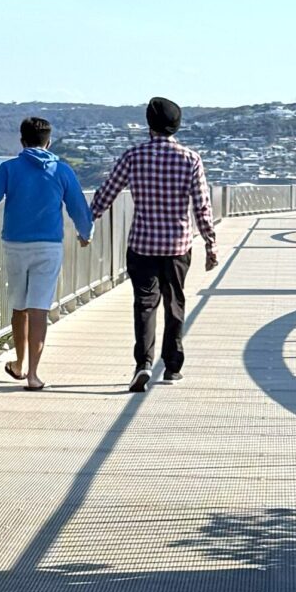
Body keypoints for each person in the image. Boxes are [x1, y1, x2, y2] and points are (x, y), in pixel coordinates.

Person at [91, 97, 217, 392]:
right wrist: (211, 243)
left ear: (149, 125)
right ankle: (172, 367)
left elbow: (107, 194)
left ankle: (143, 364)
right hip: (177, 246)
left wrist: (87, 222)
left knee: (145, 304)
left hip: (143, 245)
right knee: (175, 303)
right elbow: (202, 206)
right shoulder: (190, 159)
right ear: (176, 126)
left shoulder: (133, 156)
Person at [0, 116, 92, 390]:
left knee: (19, 307)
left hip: (15, 245)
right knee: (39, 309)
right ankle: (32, 374)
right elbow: (79, 208)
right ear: (49, 141)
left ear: (22, 141)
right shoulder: (62, 170)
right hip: (48, 246)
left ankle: (18, 364)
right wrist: (84, 234)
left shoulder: (9, 169)